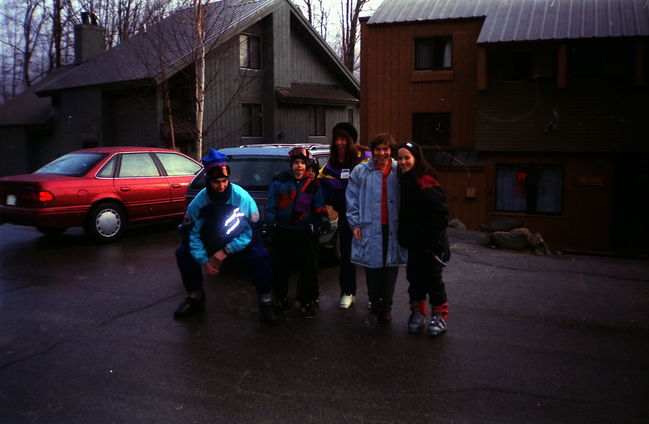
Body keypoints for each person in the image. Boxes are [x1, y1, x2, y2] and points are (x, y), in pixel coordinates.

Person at [173, 148, 277, 323]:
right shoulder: (199, 202)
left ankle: (265, 300)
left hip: (240, 241)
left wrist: (226, 251)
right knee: (183, 253)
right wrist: (203, 260)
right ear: (208, 181)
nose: (221, 186)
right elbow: (191, 233)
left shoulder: (242, 198)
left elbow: (251, 232)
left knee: (260, 257)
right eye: (216, 182)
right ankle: (195, 297)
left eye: (224, 181)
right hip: (212, 241)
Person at [346, 133, 407, 324]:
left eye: (386, 149)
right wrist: (354, 223)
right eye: (378, 149)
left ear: (391, 150)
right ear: (372, 151)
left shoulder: (399, 170)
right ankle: (375, 305)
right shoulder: (360, 171)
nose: (382, 153)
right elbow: (351, 198)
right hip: (369, 225)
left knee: (390, 268)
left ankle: (386, 307)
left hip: (393, 226)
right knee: (371, 268)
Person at [265, 147, 330, 318]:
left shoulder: (312, 185)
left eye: (302, 163)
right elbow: (271, 207)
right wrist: (270, 227)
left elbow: (319, 205)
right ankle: (281, 298)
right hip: (283, 232)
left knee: (308, 268)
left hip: (304, 233)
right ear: (291, 165)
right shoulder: (279, 183)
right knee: (281, 269)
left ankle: (307, 300)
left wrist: (323, 219)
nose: (299, 166)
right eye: (296, 163)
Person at [396, 141, 451, 336]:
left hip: (431, 242)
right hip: (414, 241)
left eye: (407, 158)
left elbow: (441, 212)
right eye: (400, 158)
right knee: (414, 278)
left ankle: (440, 317)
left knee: (434, 280)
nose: (403, 162)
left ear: (416, 159)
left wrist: (436, 241)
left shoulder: (424, 179)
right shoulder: (404, 179)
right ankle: (418, 313)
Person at [318, 122, 371, 309]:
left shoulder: (366, 158)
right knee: (347, 255)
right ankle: (348, 292)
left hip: (368, 216)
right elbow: (318, 182)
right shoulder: (332, 163)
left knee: (370, 255)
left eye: (343, 139)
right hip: (346, 217)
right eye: (336, 139)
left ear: (351, 140)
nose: (339, 143)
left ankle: (375, 296)